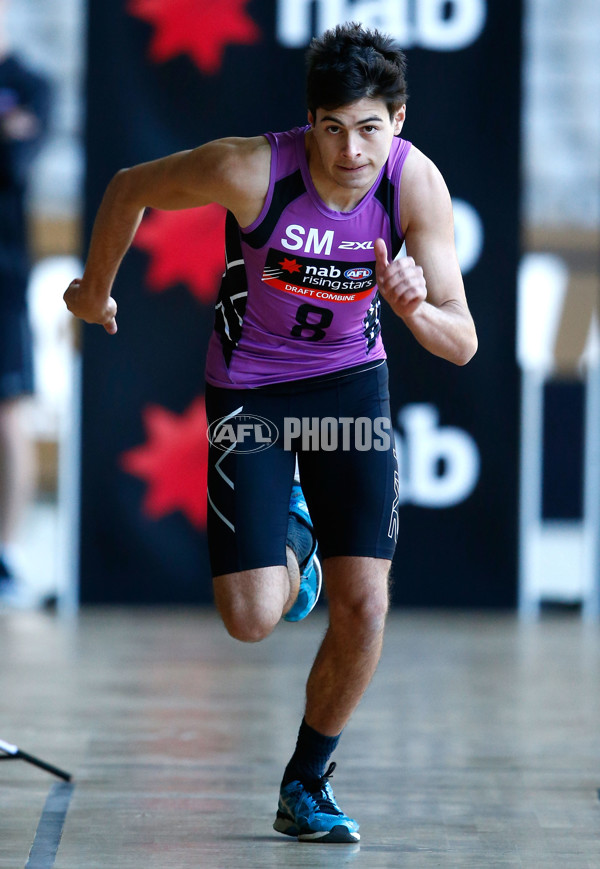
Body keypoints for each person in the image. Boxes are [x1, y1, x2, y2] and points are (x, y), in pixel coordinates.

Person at [64, 22, 477, 843]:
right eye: (333, 128)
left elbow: (460, 342)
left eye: (369, 129)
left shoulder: (414, 185)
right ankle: (295, 528)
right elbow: (127, 186)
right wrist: (93, 291)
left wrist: (412, 307)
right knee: (252, 617)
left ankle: (306, 782)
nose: (351, 152)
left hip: (351, 389)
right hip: (253, 393)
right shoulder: (251, 168)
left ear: (397, 121)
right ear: (310, 122)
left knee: (366, 602)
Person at [0, 1, 51, 603]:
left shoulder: (30, 85)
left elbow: (17, 162)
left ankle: (5, 553)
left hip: (5, 274)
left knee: (10, 410)